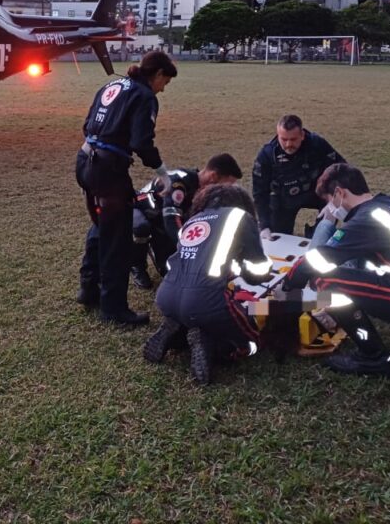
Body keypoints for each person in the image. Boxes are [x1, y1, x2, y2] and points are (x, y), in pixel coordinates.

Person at [281, 163, 390, 377]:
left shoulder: (364, 220)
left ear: (339, 193)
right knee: (372, 263)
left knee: (325, 281)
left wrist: (289, 284)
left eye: (329, 202)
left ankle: (373, 357)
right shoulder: (388, 204)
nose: (331, 210)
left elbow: (319, 258)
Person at [76, 51, 178, 325]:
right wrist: (161, 172)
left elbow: (88, 125)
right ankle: (113, 308)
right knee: (118, 239)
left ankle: (88, 288)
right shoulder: (145, 96)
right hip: (108, 171)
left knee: (101, 225)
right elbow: (142, 142)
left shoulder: (113, 85)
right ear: (157, 74)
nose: (164, 88)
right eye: (165, 82)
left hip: (85, 159)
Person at [142, 183, 273, 384]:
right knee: (252, 341)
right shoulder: (240, 217)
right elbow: (257, 271)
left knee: (197, 314)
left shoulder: (191, 221)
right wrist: (257, 272)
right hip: (203, 301)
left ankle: (178, 332)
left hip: (167, 295)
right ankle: (212, 344)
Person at [129, 153, 243, 289]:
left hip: (163, 219)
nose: (225, 190)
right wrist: (190, 249)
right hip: (143, 211)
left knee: (177, 271)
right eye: (225, 185)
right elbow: (171, 221)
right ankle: (137, 266)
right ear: (213, 177)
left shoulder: (204, 189)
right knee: (141, 228)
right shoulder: (179, 184)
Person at [252, 115, 346, 238]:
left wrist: (334, 202)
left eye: (293, 139)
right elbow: (260, 193)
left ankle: (317, 235)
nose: (288, 144)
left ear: (302, 135)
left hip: (317, 192)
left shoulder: (317, 144)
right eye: (284, 139)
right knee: (279, 237)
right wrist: (264, 226)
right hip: (284, 197)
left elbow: (342, 170)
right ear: (277, 135)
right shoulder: (267, 155)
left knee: (323, 233)